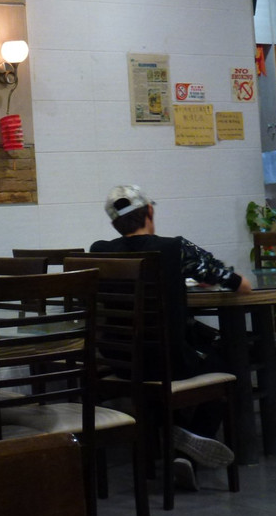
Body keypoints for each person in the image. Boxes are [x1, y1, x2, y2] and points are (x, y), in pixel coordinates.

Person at [90, 184, 251, 491]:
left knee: (170, 364)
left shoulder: (99, 251)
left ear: (114, 223)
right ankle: (189, 439)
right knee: (225, 364)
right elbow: (237, 284)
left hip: (121, 362)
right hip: (169, 362)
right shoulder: (174, 248)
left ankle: (178, 440)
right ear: (149, 211)